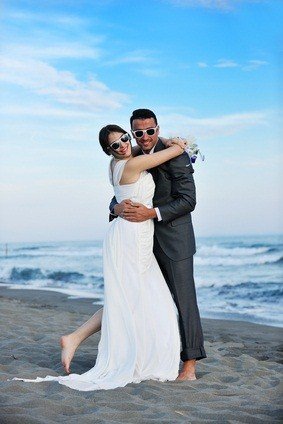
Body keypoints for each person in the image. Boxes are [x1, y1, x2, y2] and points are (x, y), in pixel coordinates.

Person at [10, 124, 186, 391]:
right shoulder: (131, 166)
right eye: (116, 144)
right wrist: (178, 143)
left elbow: (140, 150)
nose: (124, 144)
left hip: (129, 234)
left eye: (125, 138)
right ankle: (76, 338)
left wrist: (116, 203)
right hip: (132, 238)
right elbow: (168, 153)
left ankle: (75, 338)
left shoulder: (119, 163)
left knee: (129, 299)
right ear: (108, 151)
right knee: (135, 298)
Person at [60, 109, 207, 381]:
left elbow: (189, 201)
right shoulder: (133, 156)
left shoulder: (171, 154)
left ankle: (189, 367)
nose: (144, 137)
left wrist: (150, 213)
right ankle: (139, 354)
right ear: (131, 133)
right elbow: (119, 192)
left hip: (174, 239)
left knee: (183, 302)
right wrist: (116, 206)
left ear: (157, 128)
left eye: (149, 131)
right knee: (137, 300)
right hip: (139, 240)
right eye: (138, 133)